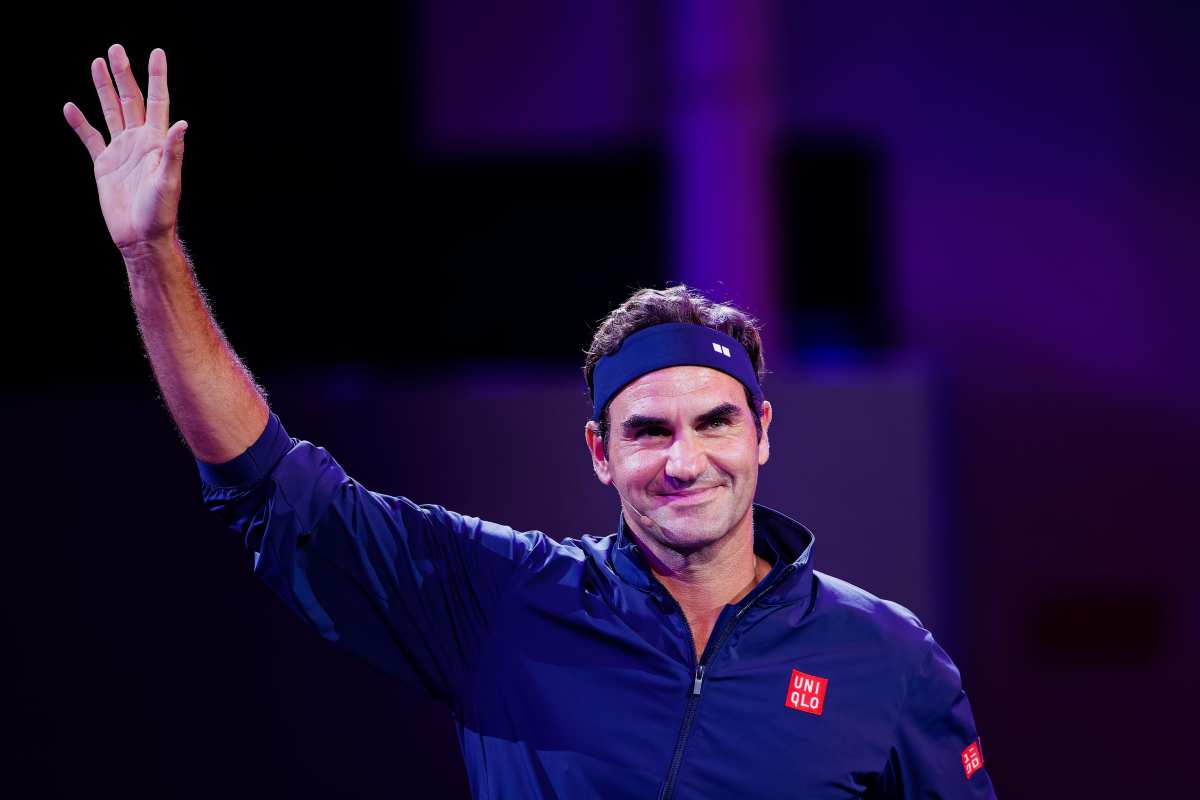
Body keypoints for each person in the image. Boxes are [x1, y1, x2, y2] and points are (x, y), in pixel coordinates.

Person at [66, 45, 997, 799]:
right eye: (647, 431)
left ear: (762, 432)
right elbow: (271, 485)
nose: (686, 461)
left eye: (714, 423)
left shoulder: (888, 657)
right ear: (599, 451)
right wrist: (151, 251)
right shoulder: (505, 600)